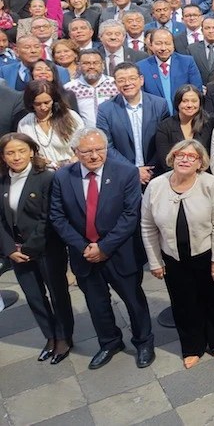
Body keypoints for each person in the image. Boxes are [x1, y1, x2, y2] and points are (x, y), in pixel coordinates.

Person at [49, 128, 156, 370]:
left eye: (100, 149)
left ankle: (144, 342)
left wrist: (105, 247)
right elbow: (57, 217)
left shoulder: (126, 173)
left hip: (120, 252)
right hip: (84, 254)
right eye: (87, 151)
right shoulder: (63, 177)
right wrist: (84, 247)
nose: (95, 156)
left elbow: (131, 215)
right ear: (75, 152)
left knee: (134, 300)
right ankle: (109, 342)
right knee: (97, 304)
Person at [140, 140, 214, 369]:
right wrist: (155, 261)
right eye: (180, 154)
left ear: (200, 162)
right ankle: (192, 346)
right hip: (173, 258)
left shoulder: (210, 183)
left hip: (209, 254)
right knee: (184, 303)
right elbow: (147, 226)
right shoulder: (156, 186)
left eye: (192, 156)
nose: (185, 159)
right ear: (172, 157)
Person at [0, 133, 73, 363]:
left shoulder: (46, 178)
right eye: (10, 152)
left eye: (21, 150)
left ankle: (63, 337)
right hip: (16, 251)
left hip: (46, 248)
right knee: (34, 296)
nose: (16, 156)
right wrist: (10, 249)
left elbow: (48, 217)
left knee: (57, 294)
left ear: (31, 151)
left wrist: (30, 248)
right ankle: (49, 336)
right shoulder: (2, 180)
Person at [18, 79, 84, 169]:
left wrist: (76, 157)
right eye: (38, 104)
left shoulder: (70, 117)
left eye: (47, 102)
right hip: (42, 173)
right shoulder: (24, 124)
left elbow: (84, 143)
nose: (43, 107)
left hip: (70, 170)